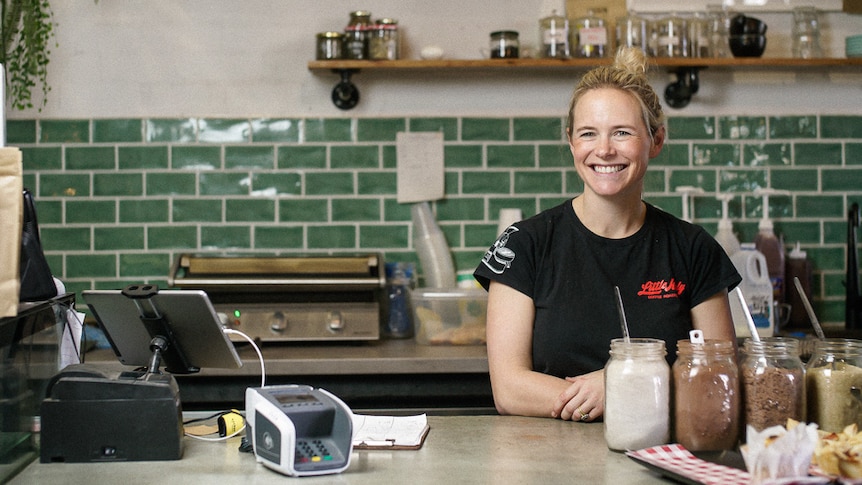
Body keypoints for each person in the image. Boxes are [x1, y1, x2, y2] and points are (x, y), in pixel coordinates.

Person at [473, 47, 741, 422]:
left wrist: (621, 383)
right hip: (546, 461)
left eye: (622, 132)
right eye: (588, 133)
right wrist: (632, 390)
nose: (604, 149)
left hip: (662, 457)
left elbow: (719, 378)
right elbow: (510, 389)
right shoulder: (524, 245)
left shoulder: (694, 250)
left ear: (656, 140)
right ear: (570, 142)